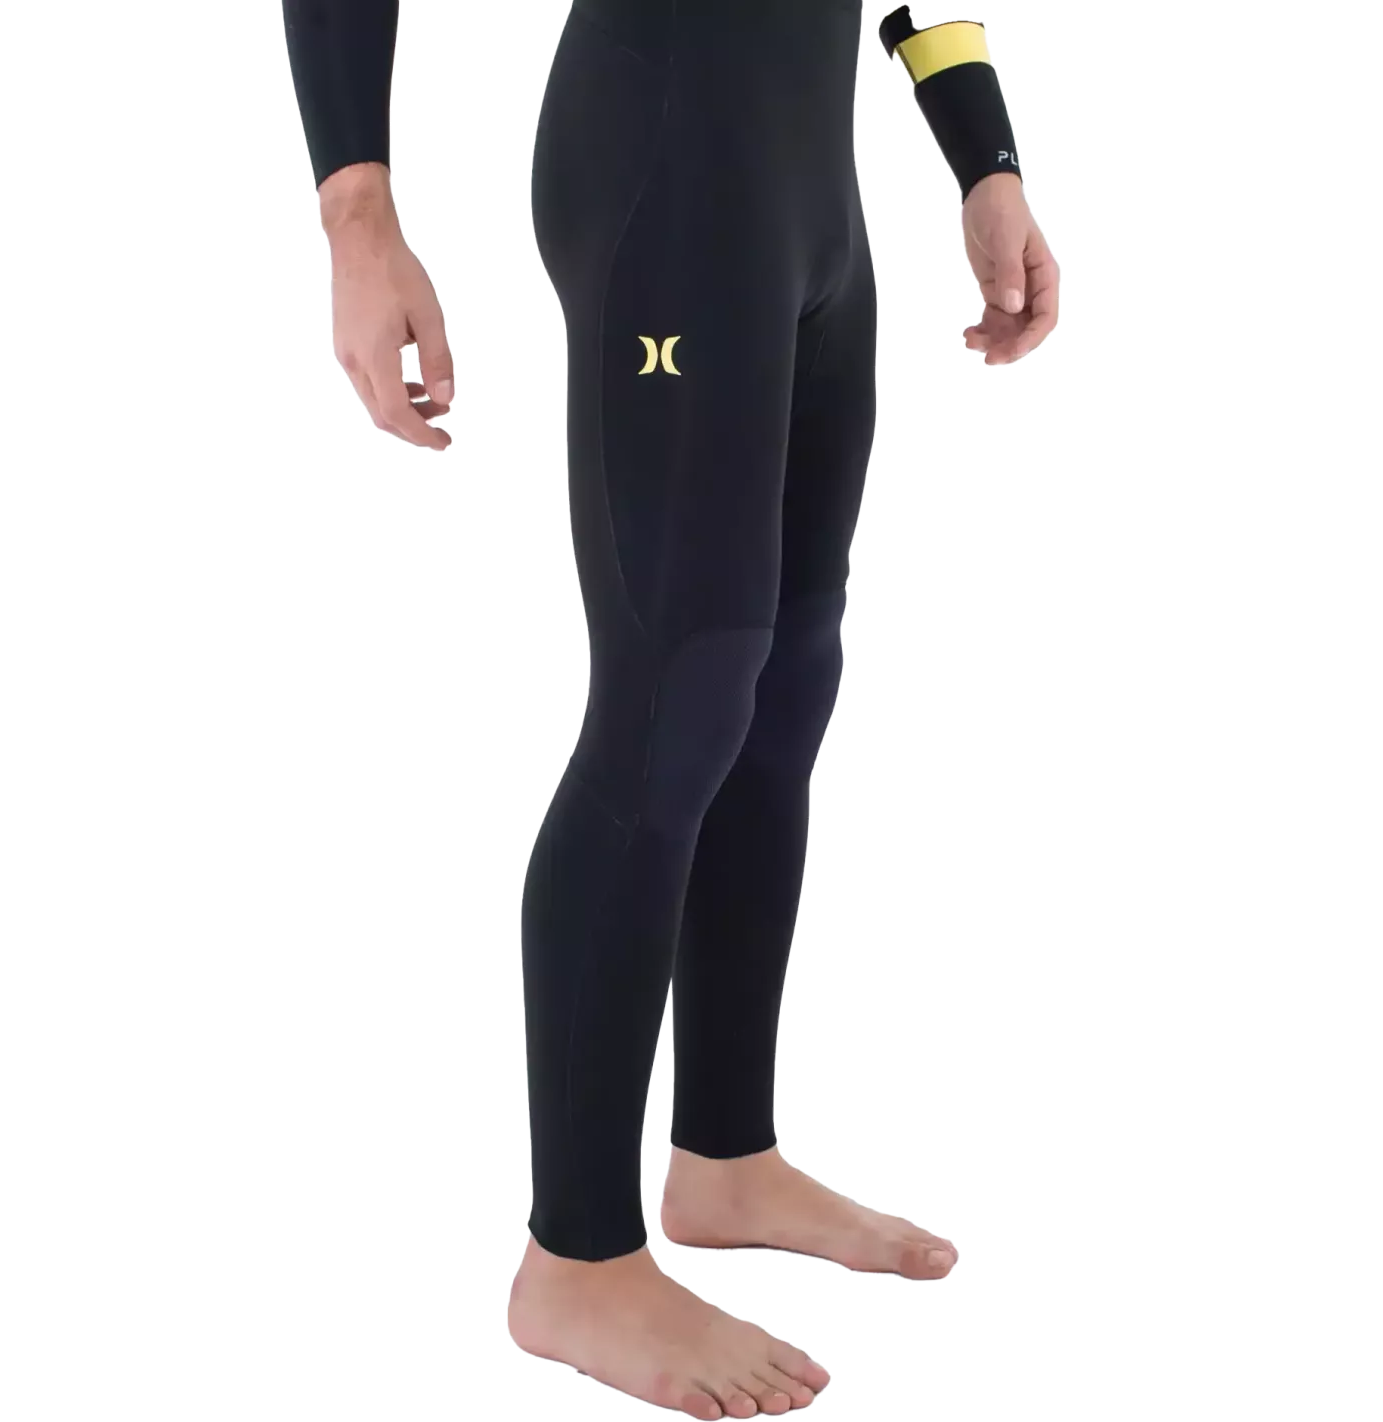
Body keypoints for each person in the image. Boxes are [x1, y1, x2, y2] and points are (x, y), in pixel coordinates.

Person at [283, 4, 1058, 1416]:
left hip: (807, 195)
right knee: (672, 700)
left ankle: (724, 1159)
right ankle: (573, 1257)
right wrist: (356, 216)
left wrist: (985, 157)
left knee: (782, 685)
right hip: (668, 172)